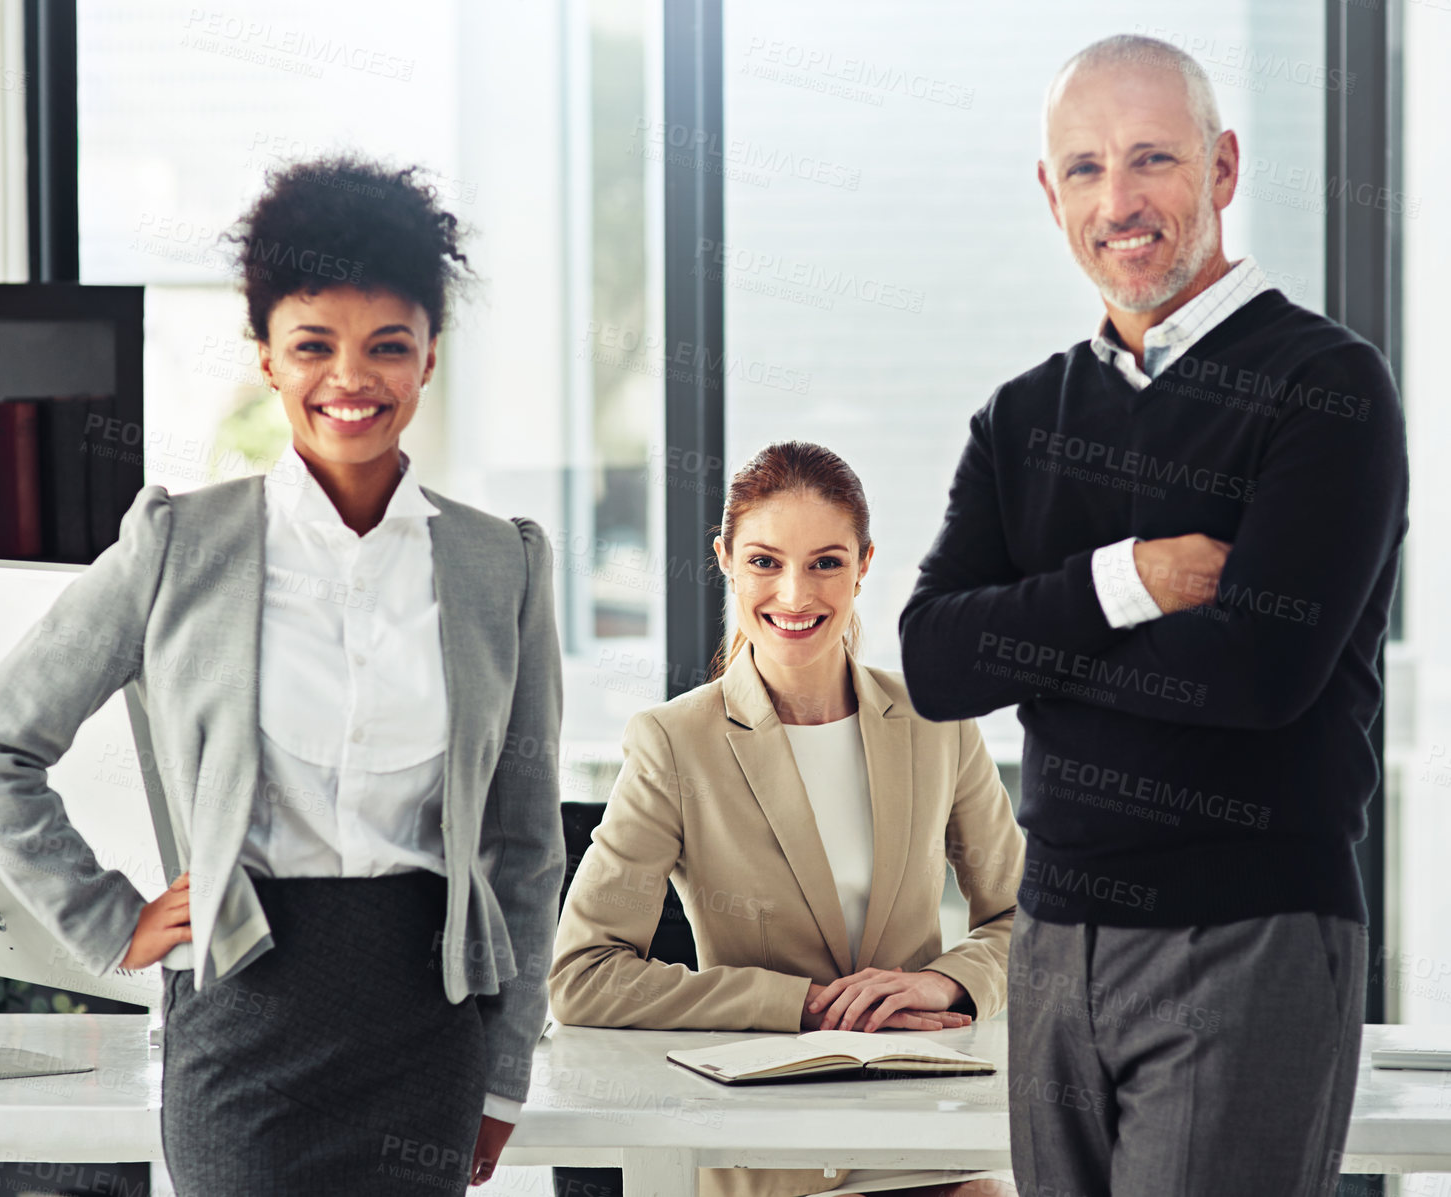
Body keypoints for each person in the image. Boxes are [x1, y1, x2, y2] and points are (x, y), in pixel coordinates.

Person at [0, 154, 567, 1195]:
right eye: (312, 345)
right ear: (268, 358)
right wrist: (109, 919)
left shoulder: (500, 564)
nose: (350, 379)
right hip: (244, 1029)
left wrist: (502, 1078)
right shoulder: (180, 546)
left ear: (427, 360)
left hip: (429, 1036)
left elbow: (523, 845)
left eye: (388, 347)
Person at [898, 34, 1408, 1197]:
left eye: (1150, 160)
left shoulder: (1325, 388)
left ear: (1222, 167)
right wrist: (1123, 580)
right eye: (1082, 169)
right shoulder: (1020, 416)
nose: (1116, 203)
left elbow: (1256, 675)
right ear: (1048, 193)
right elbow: (931, 661)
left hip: (1247, 934)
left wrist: (1025, 647)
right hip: (1052, 942)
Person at [550, 441, 1023, 1197]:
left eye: (825, 562)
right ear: (726, 561)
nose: (795, 593)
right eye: (765, 561)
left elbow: (1031, 921)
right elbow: (584, 977)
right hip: (763, 1154)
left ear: (864, 564)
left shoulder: (939, 723)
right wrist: (796, 1005)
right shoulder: (675, 742)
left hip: (920, 1143)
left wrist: (947, 982)